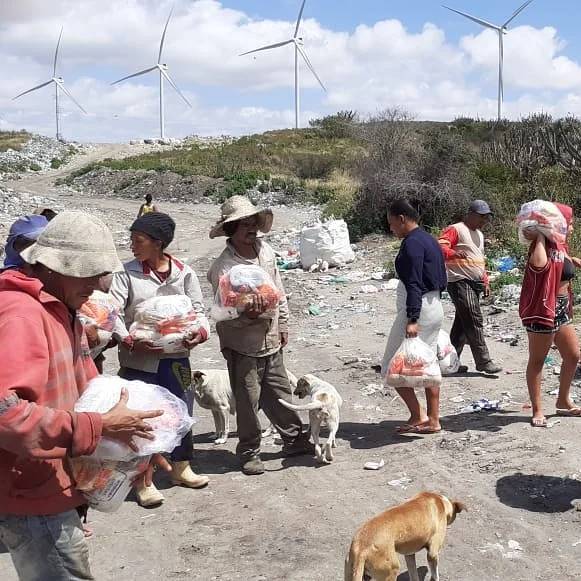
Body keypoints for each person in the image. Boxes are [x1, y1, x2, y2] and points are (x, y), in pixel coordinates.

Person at [0, 211, 169, 581]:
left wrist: (132, 442)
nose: (97, 285)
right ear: (52, 268)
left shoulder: (64, 310)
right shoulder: (22, 315)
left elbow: (92, 390)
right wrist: (96, 427)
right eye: (89, 274)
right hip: (33, 491)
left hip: (58, 481)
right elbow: (6, 414)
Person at [110, 211, 210, 507]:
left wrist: (200, 333)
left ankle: (181, 467)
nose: (132, 245)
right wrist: (129, 340)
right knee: (140, 418)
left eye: (137, 240)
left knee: (182, 411)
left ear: (158, 243)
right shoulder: (126, 273)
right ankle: (143, 480)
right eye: (132, 239)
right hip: (138, 361)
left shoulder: (184, 272)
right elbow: (112, 313)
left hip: (176, 359)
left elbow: (198, 309)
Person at [207, 195, 313, 476]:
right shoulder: (224, 268)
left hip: (271, 337)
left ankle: (294, 439)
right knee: (248, 399)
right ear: (231, 230)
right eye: (243, 225)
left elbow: (278, 290)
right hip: (242, 343)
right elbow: (223, 310)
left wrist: (284, 323)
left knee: (279, 391)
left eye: (253, 223)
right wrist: (247, 313)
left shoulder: (265, 252)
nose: (250, 229)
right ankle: (249, 451)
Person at [381, 199, 447, 434]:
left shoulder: (412, 244)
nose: (391, 229)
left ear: (402, 219)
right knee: (428, 365)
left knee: (392, 365)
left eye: (391, 224)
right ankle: (433, 420)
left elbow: (415, 283)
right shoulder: (428, 239)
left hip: (421, 310)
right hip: (434, 305)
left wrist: (412, 318)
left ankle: (418, 414)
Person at [520, 203, 581, 427]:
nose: (572, 228)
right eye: (570, 223)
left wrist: (573, 261)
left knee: (573, 355)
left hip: (562, 308)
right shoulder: (542, 243)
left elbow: (561, 264)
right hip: (543, 309)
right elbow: (538, 265)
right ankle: (537, 409)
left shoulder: (560, 244)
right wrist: (540, 236)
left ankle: (563, 400)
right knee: (537, 361)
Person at [438, 200, 502, 375]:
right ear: (470, 214)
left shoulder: (479, 234)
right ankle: (483, 361)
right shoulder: (456, 229)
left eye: (486, 217)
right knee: (474, 319)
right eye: (481, 217)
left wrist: (485, 280)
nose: (484, 221)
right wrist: (454, 253)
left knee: (462, 324)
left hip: (475, 282)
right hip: (459, 280)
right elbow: (441, 246)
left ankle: (450, 363)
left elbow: (479, 259)